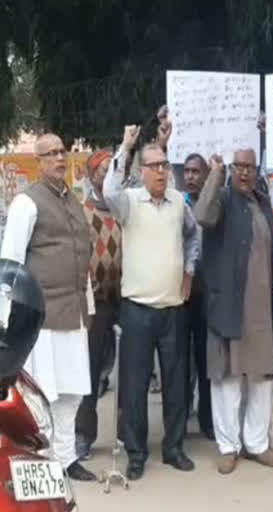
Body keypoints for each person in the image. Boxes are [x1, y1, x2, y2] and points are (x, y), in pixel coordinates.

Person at [104, 127, 201, 481]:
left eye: (164, 164)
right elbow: (108, 190)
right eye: (153, 166)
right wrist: (126, 145)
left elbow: (193, 236)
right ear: (141, 171)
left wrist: (189, 270)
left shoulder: (178, 202)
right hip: (138, 310)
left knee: (176, 383)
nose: (161, 171)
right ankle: (136, 453)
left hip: (173, 309)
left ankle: (174, 449)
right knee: (134, 385)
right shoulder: (129, 202)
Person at [0, 133, 97, 481]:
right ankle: (43, 461)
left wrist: (89, 308)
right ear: (39, 162)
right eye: (51, 153)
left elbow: (81, 257)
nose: (59, 158)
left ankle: (67, 459)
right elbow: (10, 263)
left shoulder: (73, 200)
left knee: (72, 392)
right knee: (44, 394)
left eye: (62, 151)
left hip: (74, 315)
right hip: (41, 319)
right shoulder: (26, 203)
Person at [195, 150, 273, 475]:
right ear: (231, 169)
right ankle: (228, 446)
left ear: (257, 170)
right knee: (228, 380)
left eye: (250, 167)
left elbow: (269, 244)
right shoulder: (220, 198)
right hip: (228, 306)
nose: (244, 172)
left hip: (260, 308)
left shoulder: (260, 201)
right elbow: (203, 215)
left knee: (260, 379)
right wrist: (215, 174)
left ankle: (256, 444)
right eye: (238, 167)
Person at [74, 150, 122, 461]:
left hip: (127, 299)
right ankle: (83, 436)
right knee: (89, 370)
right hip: (97, 304)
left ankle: (128, 436)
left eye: (112, 170)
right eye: (103, 170)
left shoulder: (124, 210)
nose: (107, 175)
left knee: (130, 372)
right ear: (92, 176)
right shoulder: (83, 212)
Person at [182, 153, 214, 440]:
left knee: (206, 360)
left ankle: (207, 419)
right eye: (187, 171)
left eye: (196, 171)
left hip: (207, 293)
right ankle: (179, 419)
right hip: (180, 293)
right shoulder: (176, 205)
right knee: (180, 360)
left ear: (206, 175)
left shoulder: (214, 204)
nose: (190, 176)